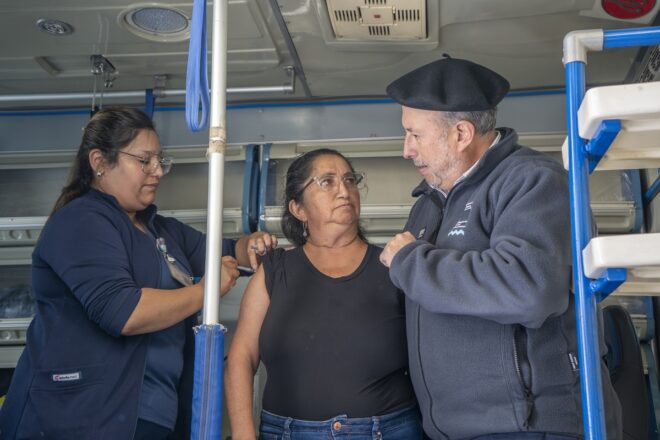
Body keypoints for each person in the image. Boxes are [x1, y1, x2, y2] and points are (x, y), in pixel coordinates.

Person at [378, 57, 622, 439]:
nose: (407, 149)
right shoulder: (427, 204)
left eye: (415, 134)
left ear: (460, 134)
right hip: (454, 430)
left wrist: (411, 262)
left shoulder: (531, 181)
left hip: (531, 426)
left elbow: (527, 288)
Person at [0, 107, 277, 440]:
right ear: (100, 162)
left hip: (151, 417)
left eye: (161, 160)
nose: (158, 171)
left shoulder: (160, 230)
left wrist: (253, 245)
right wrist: (206, 289)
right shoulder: (81, 221)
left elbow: (228, 250)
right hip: (82, 418)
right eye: (144, 161)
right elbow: (124, 312)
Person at [225, 148, 422, 439]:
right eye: (327, 182)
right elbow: (241, 357)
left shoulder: (394, 266)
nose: (344, 190)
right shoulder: (275, 270)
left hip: (387, 430)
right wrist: (243, 433)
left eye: (350, 180)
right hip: (288, 433)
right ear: (298, 208)